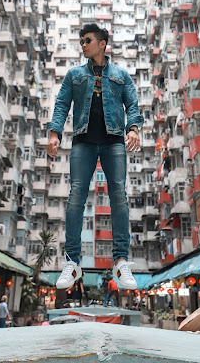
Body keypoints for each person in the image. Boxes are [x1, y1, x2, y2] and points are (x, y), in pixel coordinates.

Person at [47, 23, 143, 291]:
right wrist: (54, 133)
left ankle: (121, 261)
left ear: (102, 43)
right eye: (81, 41)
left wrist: (133, 129)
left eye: (87, 40)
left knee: (119, 196)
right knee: (76, 195)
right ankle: (72, 262)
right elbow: (62, 104)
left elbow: (133, 105)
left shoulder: (121, 75)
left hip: (113, 142)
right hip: (83, 141)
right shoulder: (74, 75)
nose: (83, 44)